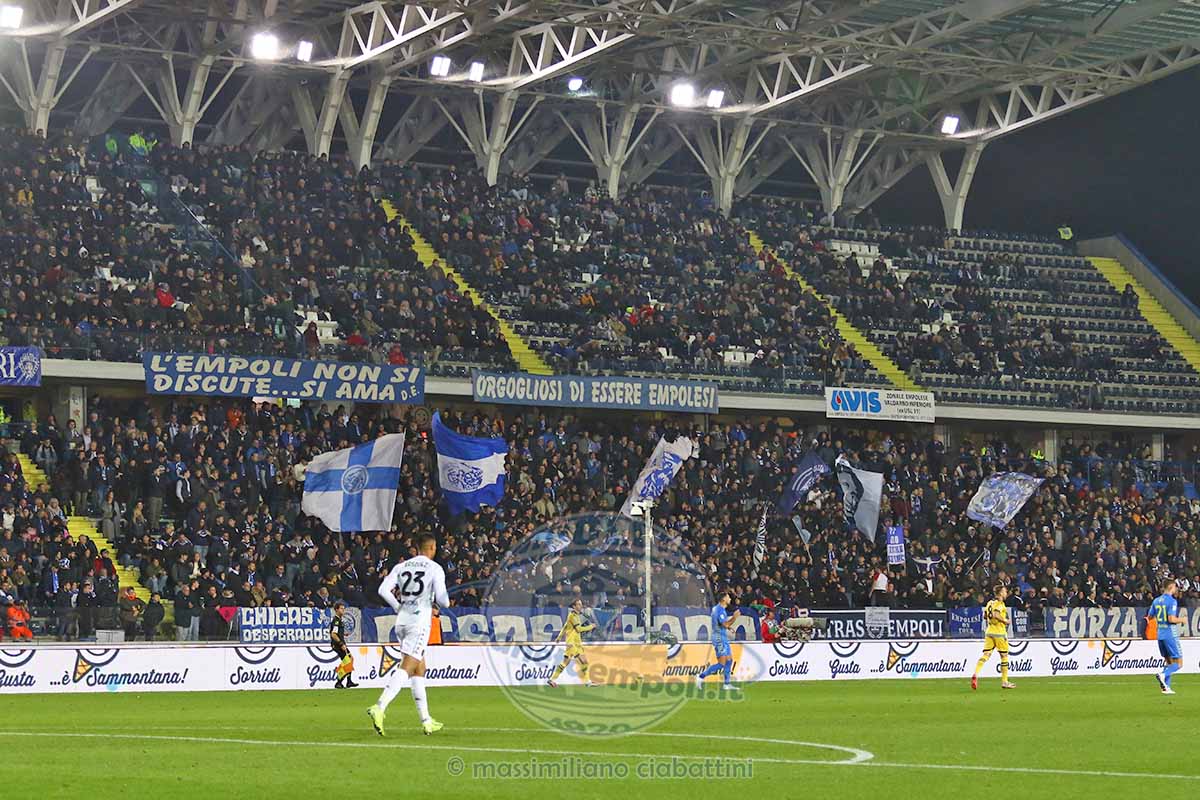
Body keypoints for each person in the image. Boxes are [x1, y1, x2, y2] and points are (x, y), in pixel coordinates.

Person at [367, 534, 450, 736]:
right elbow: (443, 600)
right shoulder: (434, 568)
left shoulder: (401, 566)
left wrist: (398, 606)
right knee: (408, 666)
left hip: (402, 621)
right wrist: (443, 601)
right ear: (432, 547)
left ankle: (426, 721)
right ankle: (380, 706)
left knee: (419, 668)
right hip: (419, 623)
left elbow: (383, 590)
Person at [972, 583, 1015, 690]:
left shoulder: (989, 603)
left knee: (986, 655)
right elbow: (996, 614)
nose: (1006, 593)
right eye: (1004, 591)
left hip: (989, 631)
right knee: (1004, 656)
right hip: (999, 633)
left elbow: (985, 616)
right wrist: (1005, 621)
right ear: (1000, 593)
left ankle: (976, 674)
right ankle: (1005, 682)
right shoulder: (1000, 604)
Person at [695, 591, 739, 690]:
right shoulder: (720, 610)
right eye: (728, 597)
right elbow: (725, 624)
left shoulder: (718, 609)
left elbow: (720, 624)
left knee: (729, 660)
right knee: (721, 663)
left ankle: (727, 684)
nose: (730, 599)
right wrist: (734, 617)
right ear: (723, 599)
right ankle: (701, 676)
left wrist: (728, 628)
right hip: (719, 638)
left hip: (722, 637)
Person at [548, 598, 596, 687]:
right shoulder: (573, 616)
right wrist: (590, 627)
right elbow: (578, 629)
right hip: (572, 643)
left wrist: (559, 637)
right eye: (578, 604)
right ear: (574, 606)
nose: (581, 606)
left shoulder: (575, 615)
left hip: (577, 643)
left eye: (581, 604)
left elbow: (565, 626)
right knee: (568, 662)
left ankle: (587, 681)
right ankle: (552, 679)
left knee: (583, 661)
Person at [1149, 579, 1184, 695]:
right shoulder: (1172, 601)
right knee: (1179, 663)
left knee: (1169, 663)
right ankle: (1162, 674)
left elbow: (1150, 616)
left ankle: (1166, 687)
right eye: (1175, 587)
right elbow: (1171, 619)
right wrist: (1182, 620)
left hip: (1160, 634)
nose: (1176, 589)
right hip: (1170, 634)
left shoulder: (1156, 601)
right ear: (1171, 587)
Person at [331, 601, 358, 689]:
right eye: (341, 608)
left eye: (344, 608)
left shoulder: (339, 620)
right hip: (338, 645)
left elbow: (336, 632)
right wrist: (341, 643)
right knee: (348, 661)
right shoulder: (336, 621)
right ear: (336, 610)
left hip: (340, 644)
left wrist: (343, 634)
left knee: (349, 660)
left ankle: (348, 681)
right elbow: (333, 634)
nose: (343, 610)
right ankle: (339, 682)